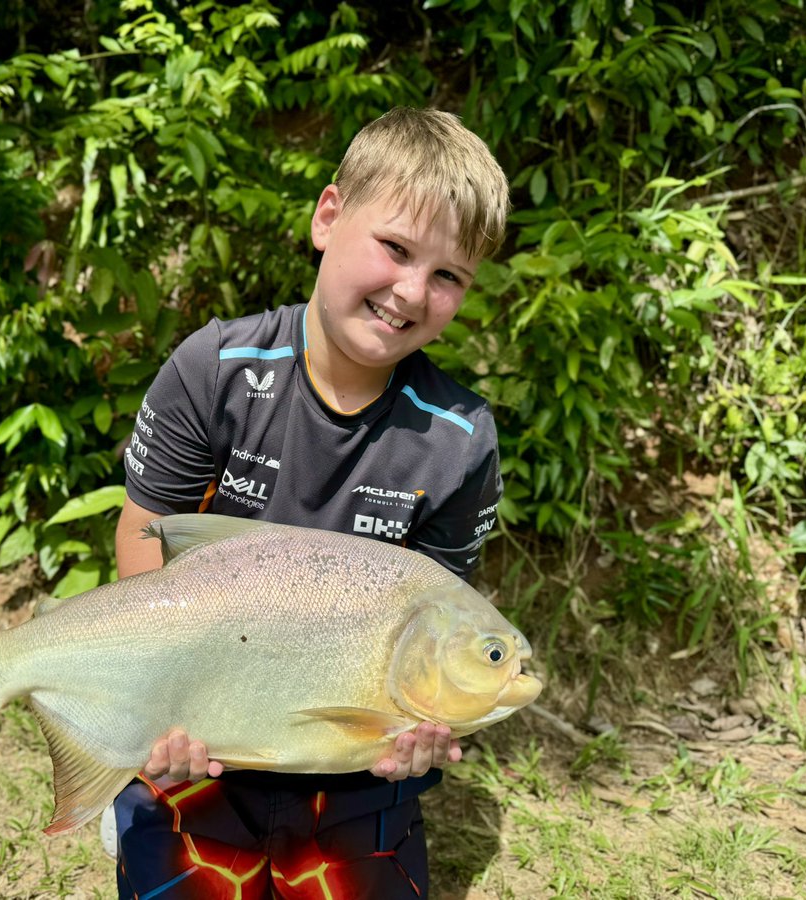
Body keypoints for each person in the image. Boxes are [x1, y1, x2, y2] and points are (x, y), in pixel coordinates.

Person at [109, 106, 509, 899]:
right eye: (395, 248)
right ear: (328, 217)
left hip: (351, 759)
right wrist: (159, 704)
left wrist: (416, 733)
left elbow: (434, 624)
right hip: (205, 721)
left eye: (447, 276)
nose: (410, 291)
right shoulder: (213, 368)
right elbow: (143, 546)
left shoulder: (462, 438)